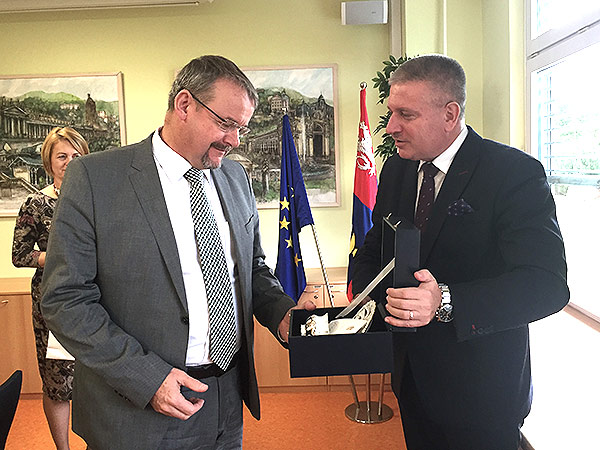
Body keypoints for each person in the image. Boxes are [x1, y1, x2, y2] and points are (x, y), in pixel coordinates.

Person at [41, 55, 315, 450]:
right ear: (184, 105)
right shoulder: (95, 178)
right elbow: (65, 299)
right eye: (226, 123)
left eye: (241, 128)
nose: (235, 140)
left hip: (226, 399)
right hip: (135, 410)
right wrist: (147, 378)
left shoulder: (235, 177)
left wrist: (281, 314)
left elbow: (251, 268)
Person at [351, 54, 569, 450]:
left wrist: (445, 301)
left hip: (483, 393)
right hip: (412, 381)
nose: (391, 126)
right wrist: (368, 304)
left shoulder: (512, 173)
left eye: (406, 114)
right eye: (391, 113)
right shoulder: (397, 169)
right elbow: (373, 251)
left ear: (450, 114)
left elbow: (546, 285)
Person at [12, 126, 89, 450]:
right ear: (49, 162)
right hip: (53, 303)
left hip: (96, 300)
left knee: (97, 381)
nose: (69, 161)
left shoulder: (97, 200)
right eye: (62, 156)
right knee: (58, 383)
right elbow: (19, 255)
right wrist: (53, 256)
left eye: (76, 155)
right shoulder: (36, 204)